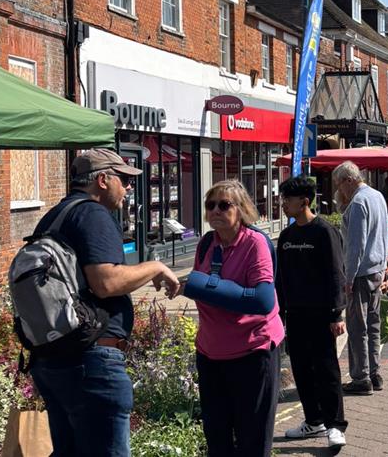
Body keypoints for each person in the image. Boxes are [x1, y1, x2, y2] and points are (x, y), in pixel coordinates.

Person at [28, 148, 181, 457]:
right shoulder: (93, 214)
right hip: (92, 360)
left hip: (54, 357)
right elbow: (106, 283)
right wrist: (156, 267)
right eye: (123, 179)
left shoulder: (54, 216)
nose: (128, 188)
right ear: (102, 180)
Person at [183, 180, 285, 456]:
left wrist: (202, 287)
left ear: (241, 209)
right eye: (210, 205)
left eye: (224, 205)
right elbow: (202, 290)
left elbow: (263, 300)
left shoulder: (255, 243)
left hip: (252, 352)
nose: (215, 210)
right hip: (211, 353)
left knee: (252, 439)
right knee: (217, 439)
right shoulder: (206, 243)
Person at [277, 177, 348, 449]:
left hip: (321, 315)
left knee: (326, 370)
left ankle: (335, 425)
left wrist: (336, 314)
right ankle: (313, 421)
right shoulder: (286, 236)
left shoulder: (324, 232)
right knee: (301, 370)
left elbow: (335, 274)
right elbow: (280, 280)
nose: (283, 204)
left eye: (288, 199)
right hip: (295, 315)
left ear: (304, 201)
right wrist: (279, 314)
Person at [333, 161, 388, 396]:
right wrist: (384, 265)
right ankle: (375, 373)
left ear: (349, 180)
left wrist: (348, 278)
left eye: (339, 185)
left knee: (357, 328)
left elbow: (355, 245)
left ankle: (361, 378)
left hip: (360, 275)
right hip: (376, 271)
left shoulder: (357, 203)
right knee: (374, 325)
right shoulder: (377, 196)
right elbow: (387, 234)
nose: (339, 191)